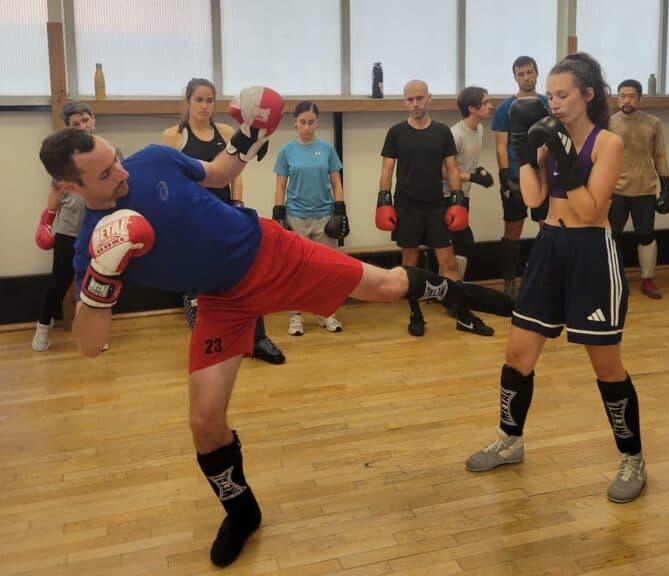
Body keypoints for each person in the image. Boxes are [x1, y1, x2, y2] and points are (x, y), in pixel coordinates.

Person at [39, 86, 514, 568]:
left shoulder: (156, 160)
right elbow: (88, 345)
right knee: (204, 423)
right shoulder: (91, 248)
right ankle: (242, 513)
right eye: (105, 174)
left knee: (390, 287)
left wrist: (251, 132)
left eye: (115, 159)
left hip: (272, 253)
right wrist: (102, 277)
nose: (121, 172)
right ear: (70, 188)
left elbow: (221, 172)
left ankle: (469, 297)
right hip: (221, 302)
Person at [465, 53, 648, 504]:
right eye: (550, 95)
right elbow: (534, 202)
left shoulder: (608, 143)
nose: (555, 102)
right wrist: (530, 154)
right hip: (548, 247)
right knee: (517, 354)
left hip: (591, 253)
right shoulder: (547, 136)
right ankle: (510, 441)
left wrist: (565, 158)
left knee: (606, 366)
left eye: (563, 94)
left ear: (587, 95)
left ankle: (633, 458)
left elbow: (590, 211)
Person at [161, 78, 285, 365]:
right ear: (188, 102)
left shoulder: (226, 131)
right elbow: (172, 178)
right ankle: (207, 341)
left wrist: (237, 205)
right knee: (196, 283)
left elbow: (236, 172)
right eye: (199, 100)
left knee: (246, 274)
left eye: (209, 100)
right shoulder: (173, 136)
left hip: (224, 211)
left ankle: (257, 339)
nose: (205, 106)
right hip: (191, 219)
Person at [377, 79, 494, 337]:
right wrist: (383, 201)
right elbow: (387, 169)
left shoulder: (442, 132)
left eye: (420, 98)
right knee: (410, 263)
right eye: (410, 99)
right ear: (404, 102)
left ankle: (462, 314)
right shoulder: (396, 132)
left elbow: (452, 169)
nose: (415, 104)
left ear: (429, 98)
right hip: (407, 206)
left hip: (437, 207)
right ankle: (415, 313)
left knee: (449, 263)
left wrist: (457, 200)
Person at [32, 101, 111, 353]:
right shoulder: (62, 157)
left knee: (96, 284)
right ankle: (43, 326)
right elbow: (56, 193)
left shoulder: (110, 151)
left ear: (94, 119)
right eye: (76, 124)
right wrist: (46, 221)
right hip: (69, 231)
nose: (83, 126)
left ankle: (93, 334)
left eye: (86, 120)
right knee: (60, 281)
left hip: (99, 230)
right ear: (68, 130)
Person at [272, 100, 349, 336]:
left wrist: (340, 210)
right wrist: (278, 216)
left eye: (311, 122)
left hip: (325, 216)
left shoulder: (326, 149)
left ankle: (326, 313)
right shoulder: (286, 151)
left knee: (326, 268)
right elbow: (280, 187)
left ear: (317, 123)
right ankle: (295, 316)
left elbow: (336, 181)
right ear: (295, 122)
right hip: (296, 216)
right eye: (302, 122)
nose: (307, 127)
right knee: (296, 269)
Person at [608, 79, 669, 299]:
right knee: (612, 236)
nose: (626, 100)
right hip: (615, 189)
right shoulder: (608, 122)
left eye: (631, 96)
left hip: (645, 188)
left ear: (640, 98)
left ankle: (648, 279)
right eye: (622, 96)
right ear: (617, 98)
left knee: (646, 235)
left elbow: (660, 155)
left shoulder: (653, 123)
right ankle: (612, 279)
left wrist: (667, 187)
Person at [492, 56, 550, 298]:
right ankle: (509, 282)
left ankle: (545, 279)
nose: (526, 77)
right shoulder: (505, 108)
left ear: (537, 73)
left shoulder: (548, 103)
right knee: (512, 232)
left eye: (529, 72)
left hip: (544, 175)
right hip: (516, 175)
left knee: (548, 229)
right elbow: (500, 146)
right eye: (521, 74)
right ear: (515, 77)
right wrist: (505, 178)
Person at [441, 86, 495, 281]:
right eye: (486, 102)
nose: (491, 106)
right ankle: (453, 288)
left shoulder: (479, 129)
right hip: (448, 196)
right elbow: (443, 171)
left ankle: (451, 288)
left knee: (458, 245)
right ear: (472, 108)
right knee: (461, 243)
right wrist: (472, 177)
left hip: (464, 195)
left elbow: (464, 163)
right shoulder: (456, 135)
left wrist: (479, 171)